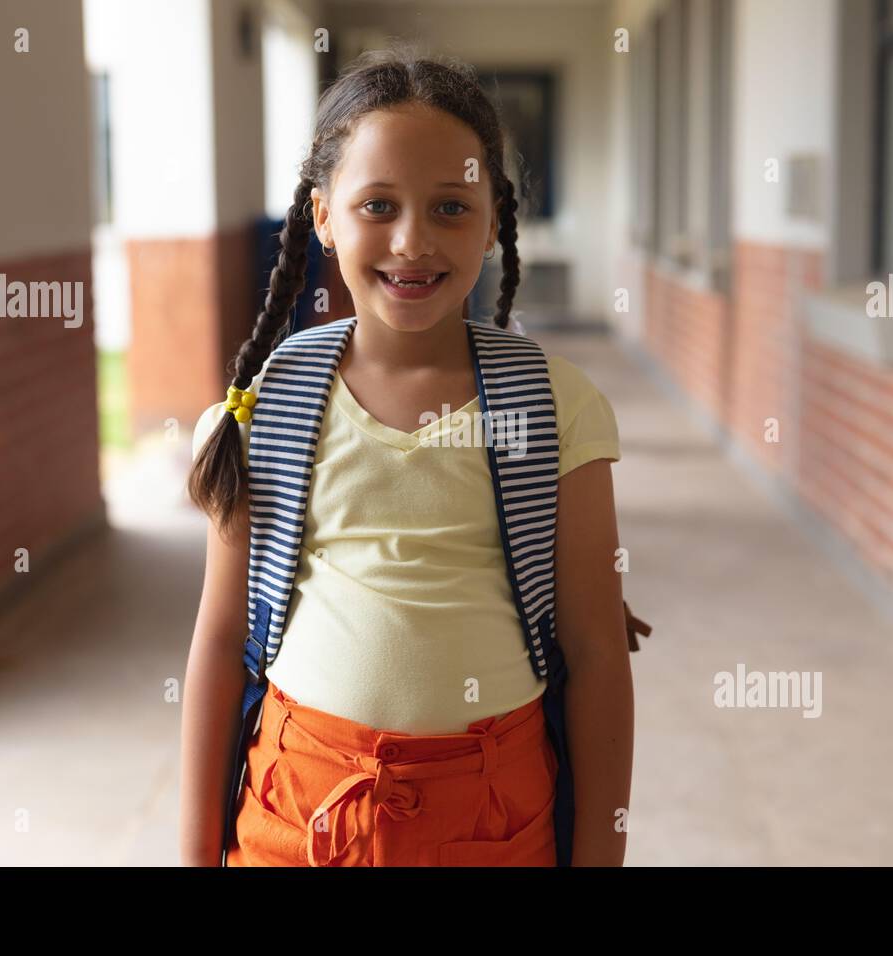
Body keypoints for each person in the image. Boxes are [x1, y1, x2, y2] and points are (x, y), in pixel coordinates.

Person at [180, 47, 634, 867]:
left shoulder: (553, 407)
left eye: (451, 208)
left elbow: (598, 653)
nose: (413, 241)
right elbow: (219, 641)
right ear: (323, 217)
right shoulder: (273, 401)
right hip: (293, 809)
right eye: (378, 204)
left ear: (494, 216)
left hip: (492, 818)